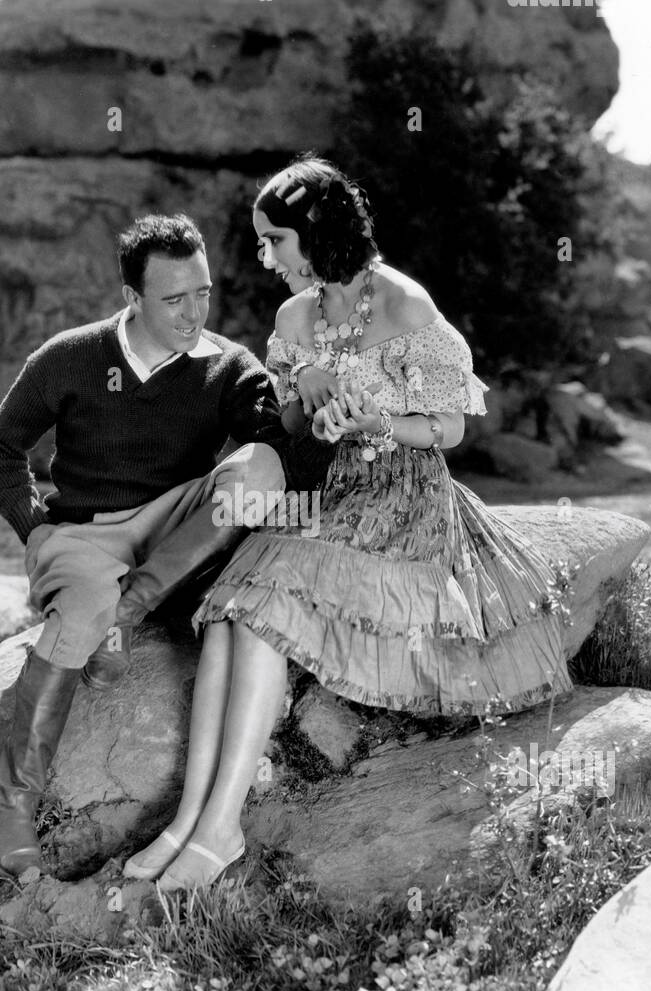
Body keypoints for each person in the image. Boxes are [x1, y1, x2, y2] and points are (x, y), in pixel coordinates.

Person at [122, 157, 576, 891]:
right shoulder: (294, 318)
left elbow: (451, 427)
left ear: (317, 234)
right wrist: (304, 386)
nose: (267, 257)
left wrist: (380, 420)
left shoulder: (405, 305)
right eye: (263, 242)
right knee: (234, 608)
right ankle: (189, 817)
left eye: (276, 241)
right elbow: (290, 422)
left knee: (264, 608)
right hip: (330, 490)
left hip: (405, 499)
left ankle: (221, 825)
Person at [0, 212, 334, 878]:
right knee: (78, 614)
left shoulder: (227, 366)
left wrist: (311, 408)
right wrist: (36, 527)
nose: (194, 311)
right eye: (174, 298)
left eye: (202, 293)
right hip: (84, 534)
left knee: (258, 464)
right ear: (132, 297)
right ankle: (13, 809)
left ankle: (128, 613)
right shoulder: (70, 356)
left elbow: (284, 459)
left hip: (173, 533)